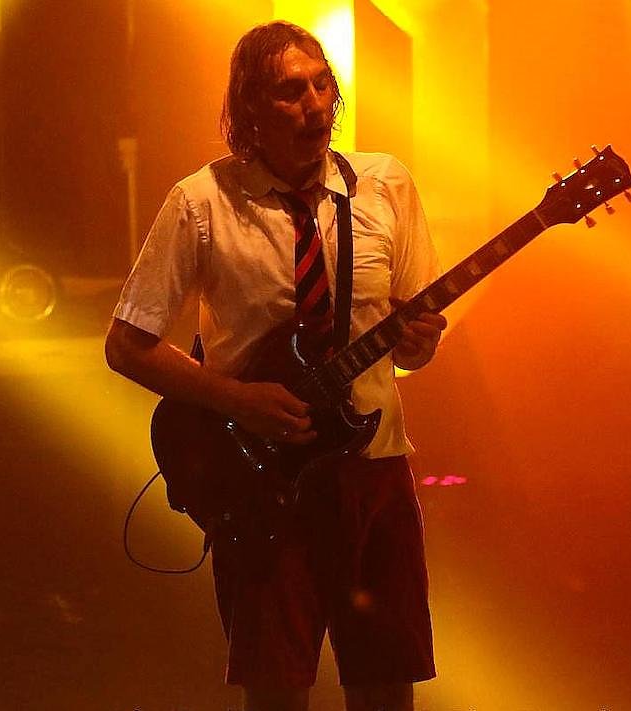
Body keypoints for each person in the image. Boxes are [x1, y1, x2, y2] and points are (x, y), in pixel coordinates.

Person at [105, 21, 447, 711]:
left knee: (387, 684)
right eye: (292, 91)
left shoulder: (385, 185)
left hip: (374, 469)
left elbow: (415, 346)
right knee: (278, 688)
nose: (315, 105)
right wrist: (236, 400)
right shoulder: (201, 201)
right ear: (250, 108)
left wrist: (419, 342)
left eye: (323, 86)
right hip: (265, 481)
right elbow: (127, 344)